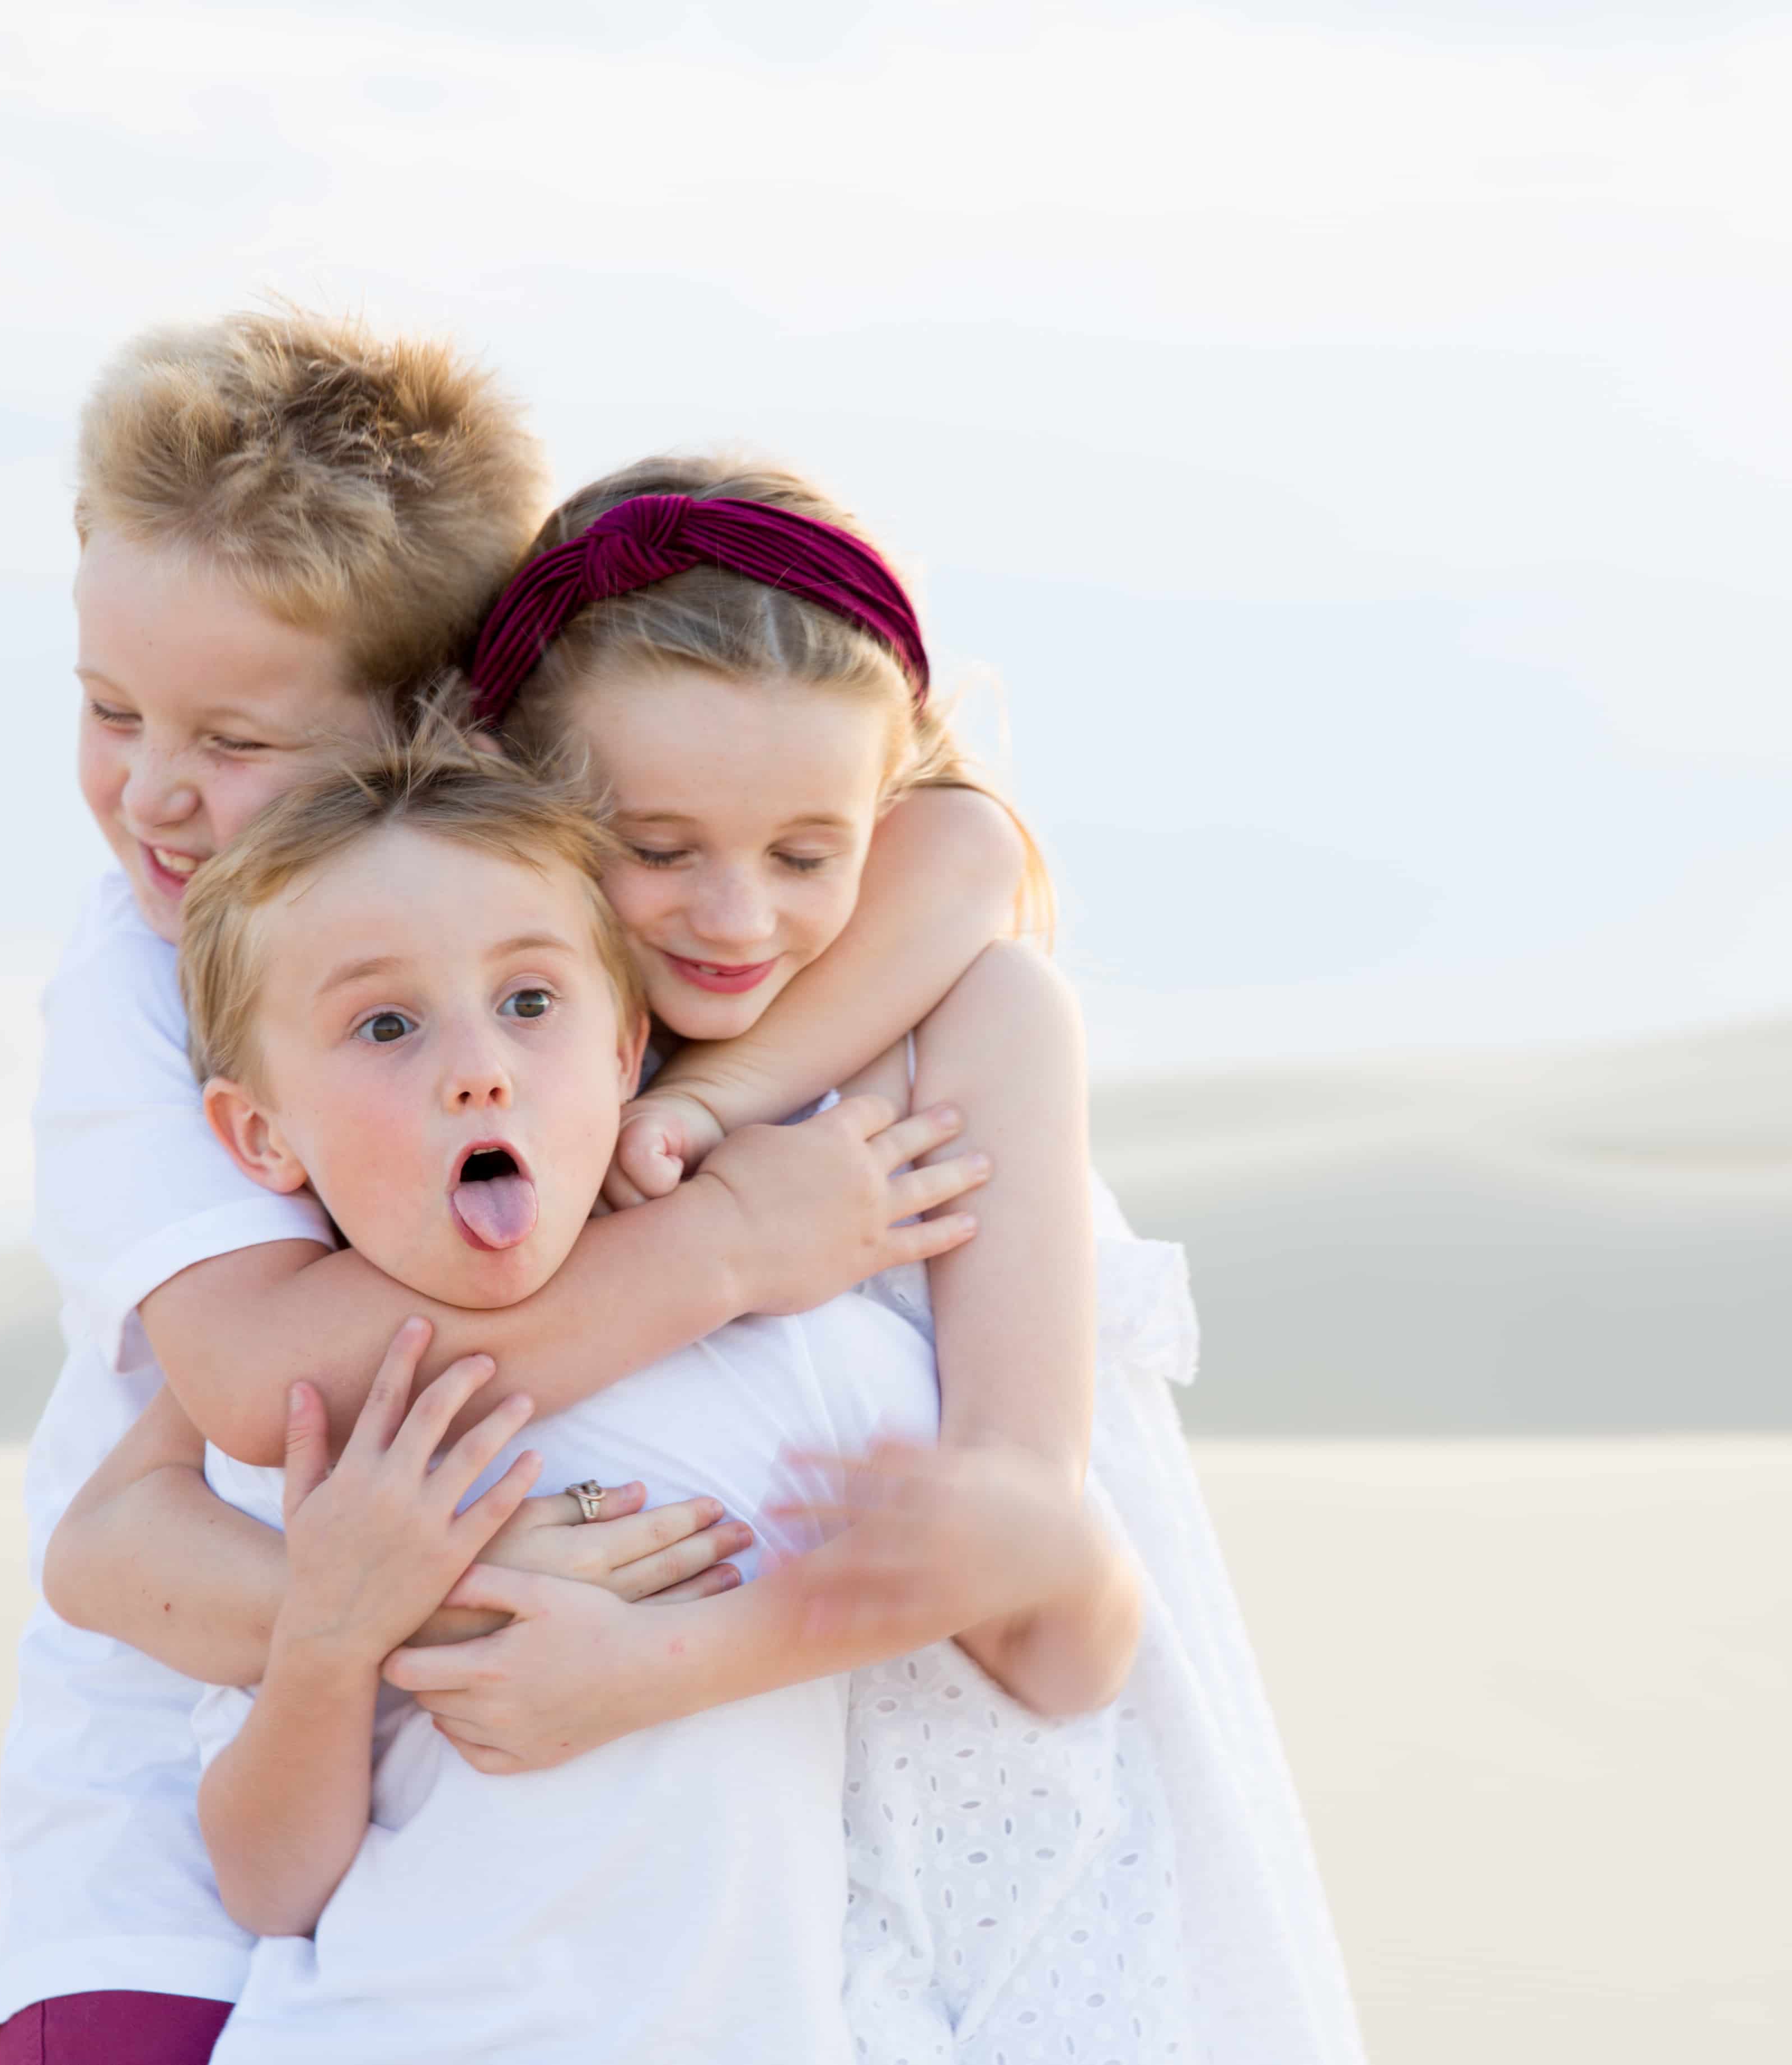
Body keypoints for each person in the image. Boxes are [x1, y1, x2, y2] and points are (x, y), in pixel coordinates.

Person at [71, 454, 1366, 2060]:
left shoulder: (949, 1028)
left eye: (807, 858)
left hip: (967, 1877)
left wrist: (720, 1118)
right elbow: (154, 1498)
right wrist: (409, 1611)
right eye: (657, 847)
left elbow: (1037, 1550)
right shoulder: (460, 1081)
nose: (736, 917)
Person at [0, 308, 998, 2064]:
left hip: (465, 1867)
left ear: (450, 733)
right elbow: (250, 1381)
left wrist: (726, 1099)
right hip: (159, 1844)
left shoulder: (524, 931)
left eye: (236, 739)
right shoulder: (143, 976)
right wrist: (727, 1243)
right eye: (108, 709)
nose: (154, 793)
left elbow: (958, 843)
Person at [106, 739, 1114, 2059]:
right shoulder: (328, 1415)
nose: (478, 1067)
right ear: (261, 1135)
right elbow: (269, 1888)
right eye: (386, 1026)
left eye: (530, 1002)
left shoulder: (786, 1341)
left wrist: (665, 1665)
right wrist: (328, 1640)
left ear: (626, 1048)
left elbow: (1064, 1650)